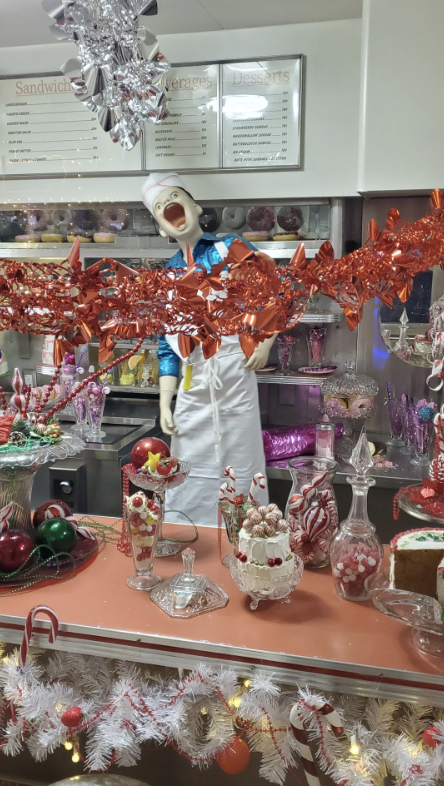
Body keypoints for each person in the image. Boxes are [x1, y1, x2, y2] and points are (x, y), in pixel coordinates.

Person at [142, 173, 276, 526]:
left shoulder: (229, 246)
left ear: (196, 207)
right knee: (190, 472)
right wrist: (164, 400)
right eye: (158, 207)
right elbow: (167, 344)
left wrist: (265, 339)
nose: (166, 206)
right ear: (161, 228)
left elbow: (275, 289)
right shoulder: (167, 276)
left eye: (172, 197)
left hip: (234, 375)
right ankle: (189, 537)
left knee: (242, 468)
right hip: (191, 384)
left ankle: (249, 543)